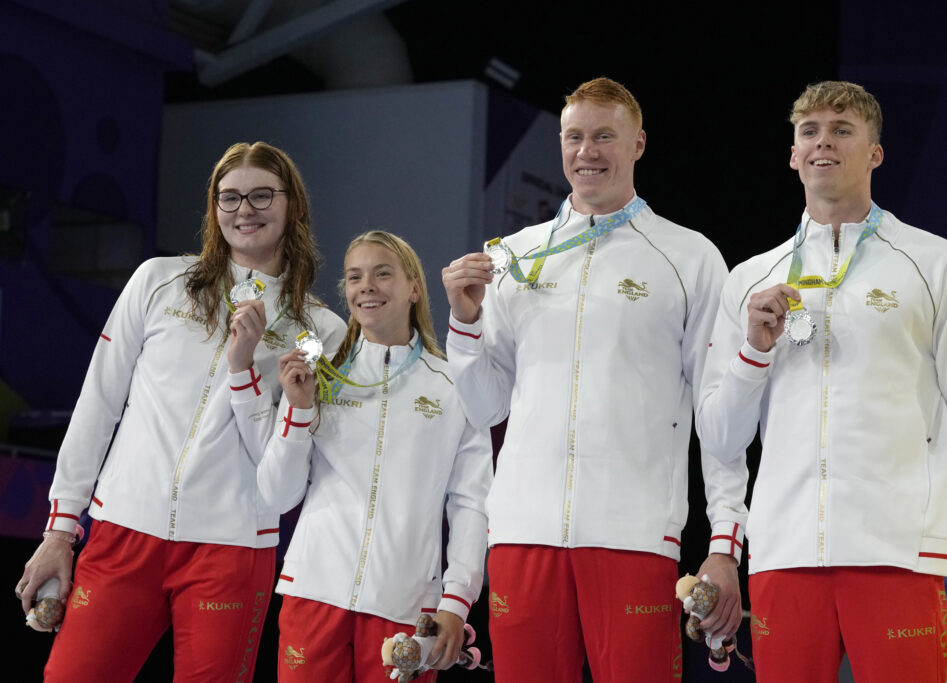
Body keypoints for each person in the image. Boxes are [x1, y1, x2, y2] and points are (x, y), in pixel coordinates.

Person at [441, 76, 749, 681]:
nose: (588, 152)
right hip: (522, 535)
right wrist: (464, 319)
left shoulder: (688, 259)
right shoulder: (515, 257)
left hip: (632, 536)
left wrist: (724, 543)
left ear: (638, 143)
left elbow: (720, 418)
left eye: (605, 136)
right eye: (575, 136)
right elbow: (483, 408)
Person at [697, 81, 947, 681]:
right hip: (784, 553)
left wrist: (931, 520)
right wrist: (753, 354)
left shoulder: (937, 264)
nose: (822, 143)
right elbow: (720, 435)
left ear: (875, 153)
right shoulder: (749, 280)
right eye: (808, 132)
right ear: (792, 154)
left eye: (842, 130)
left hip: (897, 553)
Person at [14, 141, 345, 681]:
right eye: (229, 197)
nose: (245, 209)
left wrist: (244, 369)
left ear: (294, 206)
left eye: (262, 195)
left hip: (232, 553)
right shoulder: (158, 281)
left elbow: (281, 480)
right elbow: (97, 404)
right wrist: (59, 531)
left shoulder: (319, 332)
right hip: (124, 532)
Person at [258, 230, 492, 682]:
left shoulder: (452, 386)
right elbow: (277, 496)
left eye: (383, 273)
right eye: (354, 276)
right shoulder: (317, 377)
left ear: (415, 289)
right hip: (313, 594)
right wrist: (299, 411)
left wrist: (456, 601)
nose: (366, 285)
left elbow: (471, 503)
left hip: (405, 606)